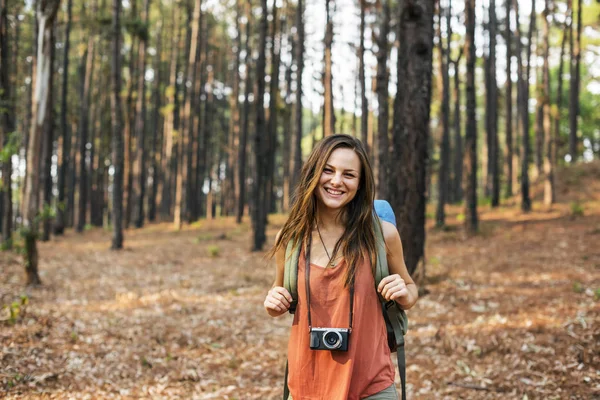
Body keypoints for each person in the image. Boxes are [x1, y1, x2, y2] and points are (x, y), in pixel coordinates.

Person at [264, 134, 418, 400]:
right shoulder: (290, 238)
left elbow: (411, 289)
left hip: (371, 383)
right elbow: (280, 293)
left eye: (348, 174)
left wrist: (405, 293)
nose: (336, 181)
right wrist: (272, 303)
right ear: (314, 173)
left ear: (360, 184)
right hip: (306, 386)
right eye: (328, 170)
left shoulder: (382, 235)